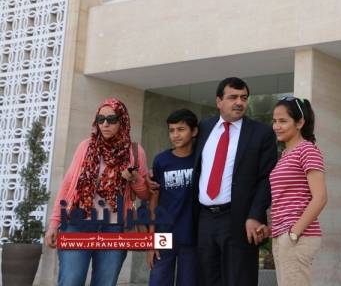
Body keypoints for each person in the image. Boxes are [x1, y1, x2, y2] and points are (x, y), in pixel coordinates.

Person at [44, 98, 150, 286]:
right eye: (101, 119)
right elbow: (67, 185)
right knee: (71, 281)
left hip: (114, 228)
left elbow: (144, 195)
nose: (105, 124)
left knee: (105, 282)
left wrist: (134, 179)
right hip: (77, 224)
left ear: (122, 120)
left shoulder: (134, 151)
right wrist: (54, 223)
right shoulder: (86, 147)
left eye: (111, 119)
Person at [191, 77, 277, 286]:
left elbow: (267, 178)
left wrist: (255, 215)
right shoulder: (205, 127)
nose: (239, 102)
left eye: (244, 98)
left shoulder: (262, 133)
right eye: (233, 97)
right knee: (206, 279)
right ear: (219, 101)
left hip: (239, 219)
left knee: (240, 279)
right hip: (204, 219)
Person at [269, 97, 327, 286]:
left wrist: (294, 233)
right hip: (282, 235)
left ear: (300, 123)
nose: (276, 126)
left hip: (296, 236)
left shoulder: (307, 150)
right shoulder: (285, 154)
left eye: (283, 121)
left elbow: (320, 198)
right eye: (275, 121)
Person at [147, 109, 199, 286]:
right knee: (158, 281)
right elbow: (154, 200)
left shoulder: (201, 160)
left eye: (181, 129)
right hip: (164, 234)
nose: (175, 135)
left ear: (194, 131)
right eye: (171, 130)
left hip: (192, 235)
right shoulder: (161, 161)